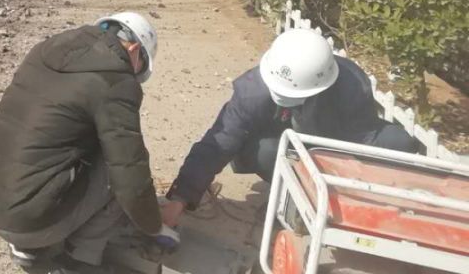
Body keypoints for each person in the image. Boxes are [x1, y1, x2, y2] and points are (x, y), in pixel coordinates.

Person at [0, 12, 173, 274]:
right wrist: (153, 225)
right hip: (26, 218)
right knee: (116, 165)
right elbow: (130, 174)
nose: (134, 76)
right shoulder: (116, 81)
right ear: (135, 50)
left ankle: (30, 246)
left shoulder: (47, 49)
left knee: (59, 141)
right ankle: (77, 265)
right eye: (139, 69)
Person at [161, 28, 417, 229]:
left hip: (335, 148)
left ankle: (354, 204)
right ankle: (288, 196)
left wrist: (342, 187)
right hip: (281, 148)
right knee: (262, 151)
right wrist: (180, 198)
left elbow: (362, 140)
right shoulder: (253, 91)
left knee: (398, 142)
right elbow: (220, 140)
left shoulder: (350, 86)